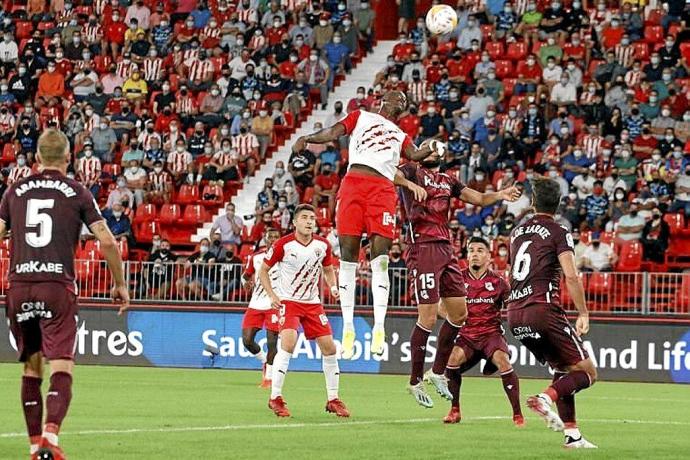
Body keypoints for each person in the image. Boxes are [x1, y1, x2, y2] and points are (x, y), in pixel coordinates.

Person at [0, 129, 129, 459]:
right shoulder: (77, 192)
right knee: (61, 365)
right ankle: (51, 437)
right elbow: (108, 241)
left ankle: (33, 446)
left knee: (31, 367)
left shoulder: (14, 192)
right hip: (57, 287)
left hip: (19, 286)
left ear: (37, 158)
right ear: (69, 157)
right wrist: (120, 284)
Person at [291, 90, 434, 359]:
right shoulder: (362, 116)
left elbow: (415, 155)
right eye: (395, 98)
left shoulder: (402, 135)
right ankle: (347, 328)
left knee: (380, 259)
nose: (398, 103)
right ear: (383, 101)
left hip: (382, 190)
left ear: (402, 111)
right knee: (347, 259)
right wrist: (308, 138)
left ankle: (379, 327)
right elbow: (334, 131)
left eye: (402, 102)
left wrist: (432, 148)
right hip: (354, 184)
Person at [399, 146, 521, 407]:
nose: (430, 149)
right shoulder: (411, 170)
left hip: (446, 247)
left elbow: (476, 198)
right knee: (428, 317)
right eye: (426, 146)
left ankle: (438, 371)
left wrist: (500, 193)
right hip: (422, 246)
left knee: (459, 314)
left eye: (434, 147)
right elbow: (388, 174)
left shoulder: (448, 179)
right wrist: (409, 184)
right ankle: (414, 381)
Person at [507, 177, 597, 449]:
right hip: (542, 310)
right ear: (558, 204)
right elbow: (571, 276)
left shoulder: (516, 232)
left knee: (564, 368)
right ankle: (546, 398)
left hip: (514, 313)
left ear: (532, 203)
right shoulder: (559, 231)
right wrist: (583, 312)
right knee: (588, 372)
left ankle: (573, 435)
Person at [259, 204, 349, 418]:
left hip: (313, 303)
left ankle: (333, 399)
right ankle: (275, 397)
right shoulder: (283, 244)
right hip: (289, 302)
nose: (310, 221)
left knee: (329, 348)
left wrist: (333, 286)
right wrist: (272, 295)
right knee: (288, 343)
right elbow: (263, 270)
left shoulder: (323, 245)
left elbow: (327, 269)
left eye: (312, 218)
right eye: (305, 218)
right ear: (295, 222)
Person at [443, 237, 524, 426]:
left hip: (491, 335)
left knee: (503, 362)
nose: (475, 254)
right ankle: (455, 410)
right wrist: (453, 316)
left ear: (488, 256)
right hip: (467, 335)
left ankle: (517, 414)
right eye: (471, 250)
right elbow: (441, 308)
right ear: (467, 255)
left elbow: (513, 308)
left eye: (480, 250)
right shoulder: (457, 279)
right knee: (452, 361)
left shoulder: (499, 282)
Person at [241, 227, 281, 388]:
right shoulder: (256, 257)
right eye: (270, 236)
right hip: (256, 303)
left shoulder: (286, 257)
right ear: (265, 238)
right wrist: (246, 284)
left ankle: (269, 378)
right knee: (247, 340)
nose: (272, 239)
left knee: (272, 343)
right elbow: (246, 276)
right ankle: (264, 361)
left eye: (275, 236)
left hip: (274, 304)